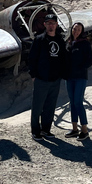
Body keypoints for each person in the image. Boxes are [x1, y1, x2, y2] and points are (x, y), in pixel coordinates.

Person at [28, 12, 68, 140]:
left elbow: (63, 58)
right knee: (37, 106)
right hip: (41, 78)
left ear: (56, 25)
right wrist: (33, 74)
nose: (51, 26)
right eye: (49, 23)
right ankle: (36, 131)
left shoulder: (60, 40)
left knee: (50, 106)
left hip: (55, 79)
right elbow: (32, 58)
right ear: (45, 24)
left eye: (53, 23)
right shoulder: (39, 39)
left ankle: (46, 129)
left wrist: (62, 74)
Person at [64, 22, 92, 141]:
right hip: (69, 77)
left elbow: (90, 59)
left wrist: (81, 67)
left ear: (81, 31)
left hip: (80, 77)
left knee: (78, 102)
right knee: (72, 102)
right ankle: (74, 128)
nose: (76, 31)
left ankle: (85, 130)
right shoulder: (68, 43)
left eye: (78, 30)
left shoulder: (85, 43)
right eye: (74, 29)